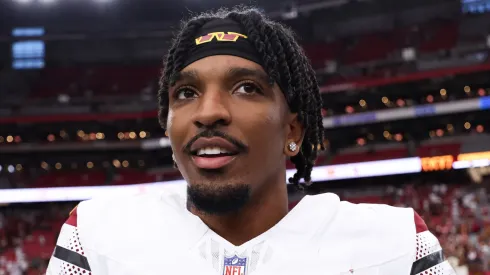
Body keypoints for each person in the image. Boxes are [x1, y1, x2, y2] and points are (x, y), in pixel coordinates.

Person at [47, 7, 455, 275]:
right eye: (186, 93)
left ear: (293, 132)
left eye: (245, 88)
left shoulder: (395, 246)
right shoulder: (97, 237)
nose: (208, 112)